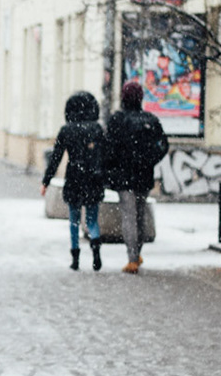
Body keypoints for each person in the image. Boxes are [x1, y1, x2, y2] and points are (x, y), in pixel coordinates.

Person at [104, 80, 169, 274]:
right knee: (140, 215)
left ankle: (132, 258)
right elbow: (163, 145)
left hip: (124, 177)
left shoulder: (117, 120)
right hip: (143, 175)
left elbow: (109, 148)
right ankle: (137, 254)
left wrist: (111, 168)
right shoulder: (150, 120)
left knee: (129, 215)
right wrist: (150, 160)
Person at [40, 91, 106, 271]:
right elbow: (105, 155)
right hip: (93, 177)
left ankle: (75, 257)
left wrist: (46, 181)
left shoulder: (66, 130)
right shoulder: (97, 129)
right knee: (92, 220)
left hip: (74, 177)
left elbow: (56, 158)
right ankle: (95, 248)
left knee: (74, 220)